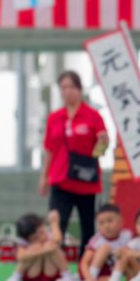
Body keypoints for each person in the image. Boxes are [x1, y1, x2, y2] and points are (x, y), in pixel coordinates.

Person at [40, 70, 108, 259]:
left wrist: (103, 143)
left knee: (87, 226)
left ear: (79, 89)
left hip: (85, 181)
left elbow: (100, 153)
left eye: (72, 87)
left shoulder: (93, 116)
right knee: (57, 223)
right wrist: (44, 177)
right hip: (60, 179)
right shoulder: (55, 118)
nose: (68, 91)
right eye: (64, 87)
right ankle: (57, 269)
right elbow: (49, 150)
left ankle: (85, 270)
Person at [6, 210, 81, 281]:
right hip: (33, 276)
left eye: (41, 232)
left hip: (51, 276)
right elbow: (20, 256)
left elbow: (57, 240)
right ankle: (16, 277)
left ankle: (67, 278)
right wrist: (43, 249)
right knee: (33, 249)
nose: (40, 237)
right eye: (35, 237)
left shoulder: (49, 234)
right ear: (27, 238)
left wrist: (54, 223)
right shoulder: (25, 242)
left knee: (53, 246)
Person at [81, 203, 130, 281]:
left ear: (121, 221)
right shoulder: (97, 239)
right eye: (101, 223)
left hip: (113, 272)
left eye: (110, 221)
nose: (106, 226)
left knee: (126, 251)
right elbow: (84, 263)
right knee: (105, 248)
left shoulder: (127, 236)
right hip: (92, 272)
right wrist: (88, 278)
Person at [115, 207, 140, 281]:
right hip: (137, 275)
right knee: (125, 256)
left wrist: (135, 254)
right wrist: (120, 252)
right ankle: (115, 280)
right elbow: (123, 251)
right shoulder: (135, 242)